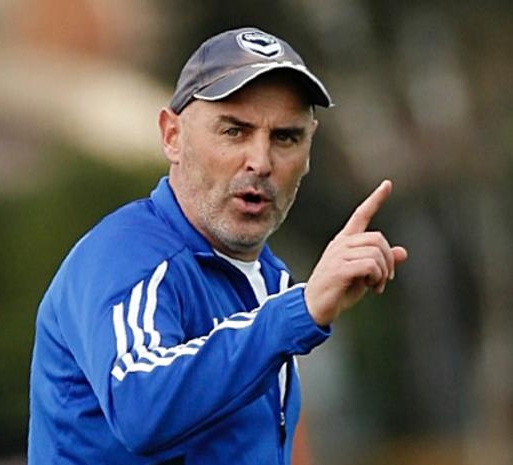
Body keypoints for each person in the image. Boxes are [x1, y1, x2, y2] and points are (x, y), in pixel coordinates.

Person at [28, 27, 408, 465]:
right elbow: (142, 409)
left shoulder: (269, 279)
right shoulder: (125, 256)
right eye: (234, 131)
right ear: (172, 136)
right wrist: (298, 313)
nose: (261, 162)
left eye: (285, 137)